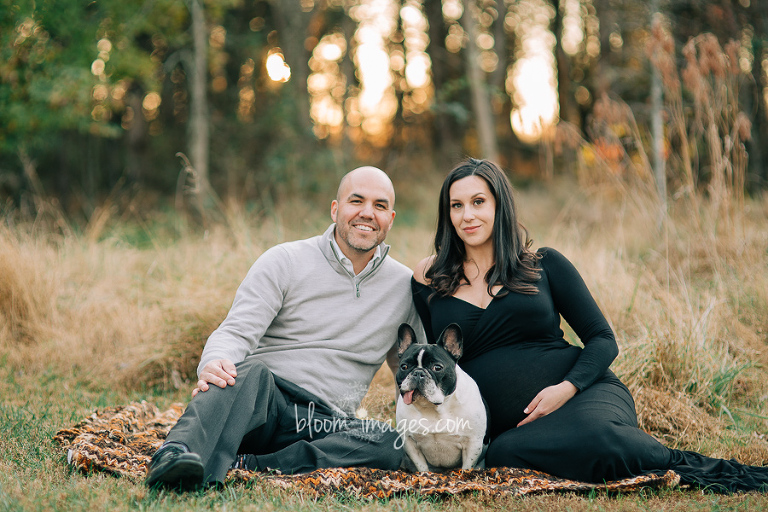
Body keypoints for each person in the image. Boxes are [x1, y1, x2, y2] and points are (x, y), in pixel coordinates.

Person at [410, 157, 768, 493]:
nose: (467, 215)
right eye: (456, 205)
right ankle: (627, 466)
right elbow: (432, 360)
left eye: (478, 202)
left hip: (585, 394)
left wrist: (565, 389)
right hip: (511, 427)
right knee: (504, 456)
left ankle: (694, 468)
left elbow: (603, 339)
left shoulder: (543, 265)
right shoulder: (431, 280)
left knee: (597, 438)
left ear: (499, 206)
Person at [146, 166, 424, 490]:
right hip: (266, 403)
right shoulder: (286, 260)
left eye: (379, 206)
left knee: (388, 441)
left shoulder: (405, 288)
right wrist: (214, 362)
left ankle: (253, 466)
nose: (367, 213)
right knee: (245, 371)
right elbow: (236, 331)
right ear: (335, 209)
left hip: (326, 422)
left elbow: (412, 371)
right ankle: (175, 455)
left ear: (391, 218)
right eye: (356, 201)